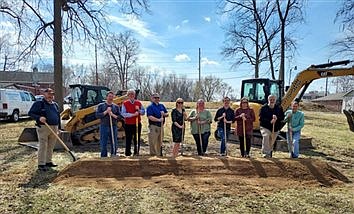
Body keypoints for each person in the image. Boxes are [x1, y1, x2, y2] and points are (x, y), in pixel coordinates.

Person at [28, 88, 61, 171]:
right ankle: (41, 164)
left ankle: (48, 161)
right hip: (43, 127)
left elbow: (58, 116)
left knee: (51, 145)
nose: (50, 96)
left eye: (52, 94)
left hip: (54, 127)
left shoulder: (55, 104)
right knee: (43, 145)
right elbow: (31, 113)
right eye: (49, 94)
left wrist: (59, 128)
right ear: (44, 94)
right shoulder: (39, 103)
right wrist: (39, 118)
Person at [96, 91, 121, 157]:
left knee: (114, 141)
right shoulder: (101, 106)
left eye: (112, 97)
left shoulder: (116, 107)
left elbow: (119, 117)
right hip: (104, 126)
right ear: (106, 97)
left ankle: (113, 154)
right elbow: (97, 115)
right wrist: (106, 112)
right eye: (109, 96)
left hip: (113, 126)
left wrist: (112, 114)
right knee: (103, 142)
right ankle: (104, 156)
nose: (111, 98)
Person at [121, 89, 145, 156]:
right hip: (128, 124)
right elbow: (123, 114)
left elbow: (143, 112)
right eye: (130, 94)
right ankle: (128, 153)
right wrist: (133, 115)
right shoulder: (125, 103)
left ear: (134, 95)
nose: (131, 95)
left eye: (133, 94)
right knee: (128, 138)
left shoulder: (138, 103)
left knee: (137, 138)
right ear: (128, 95)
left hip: (137, 124)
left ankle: (136, 152)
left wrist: (139, 111)